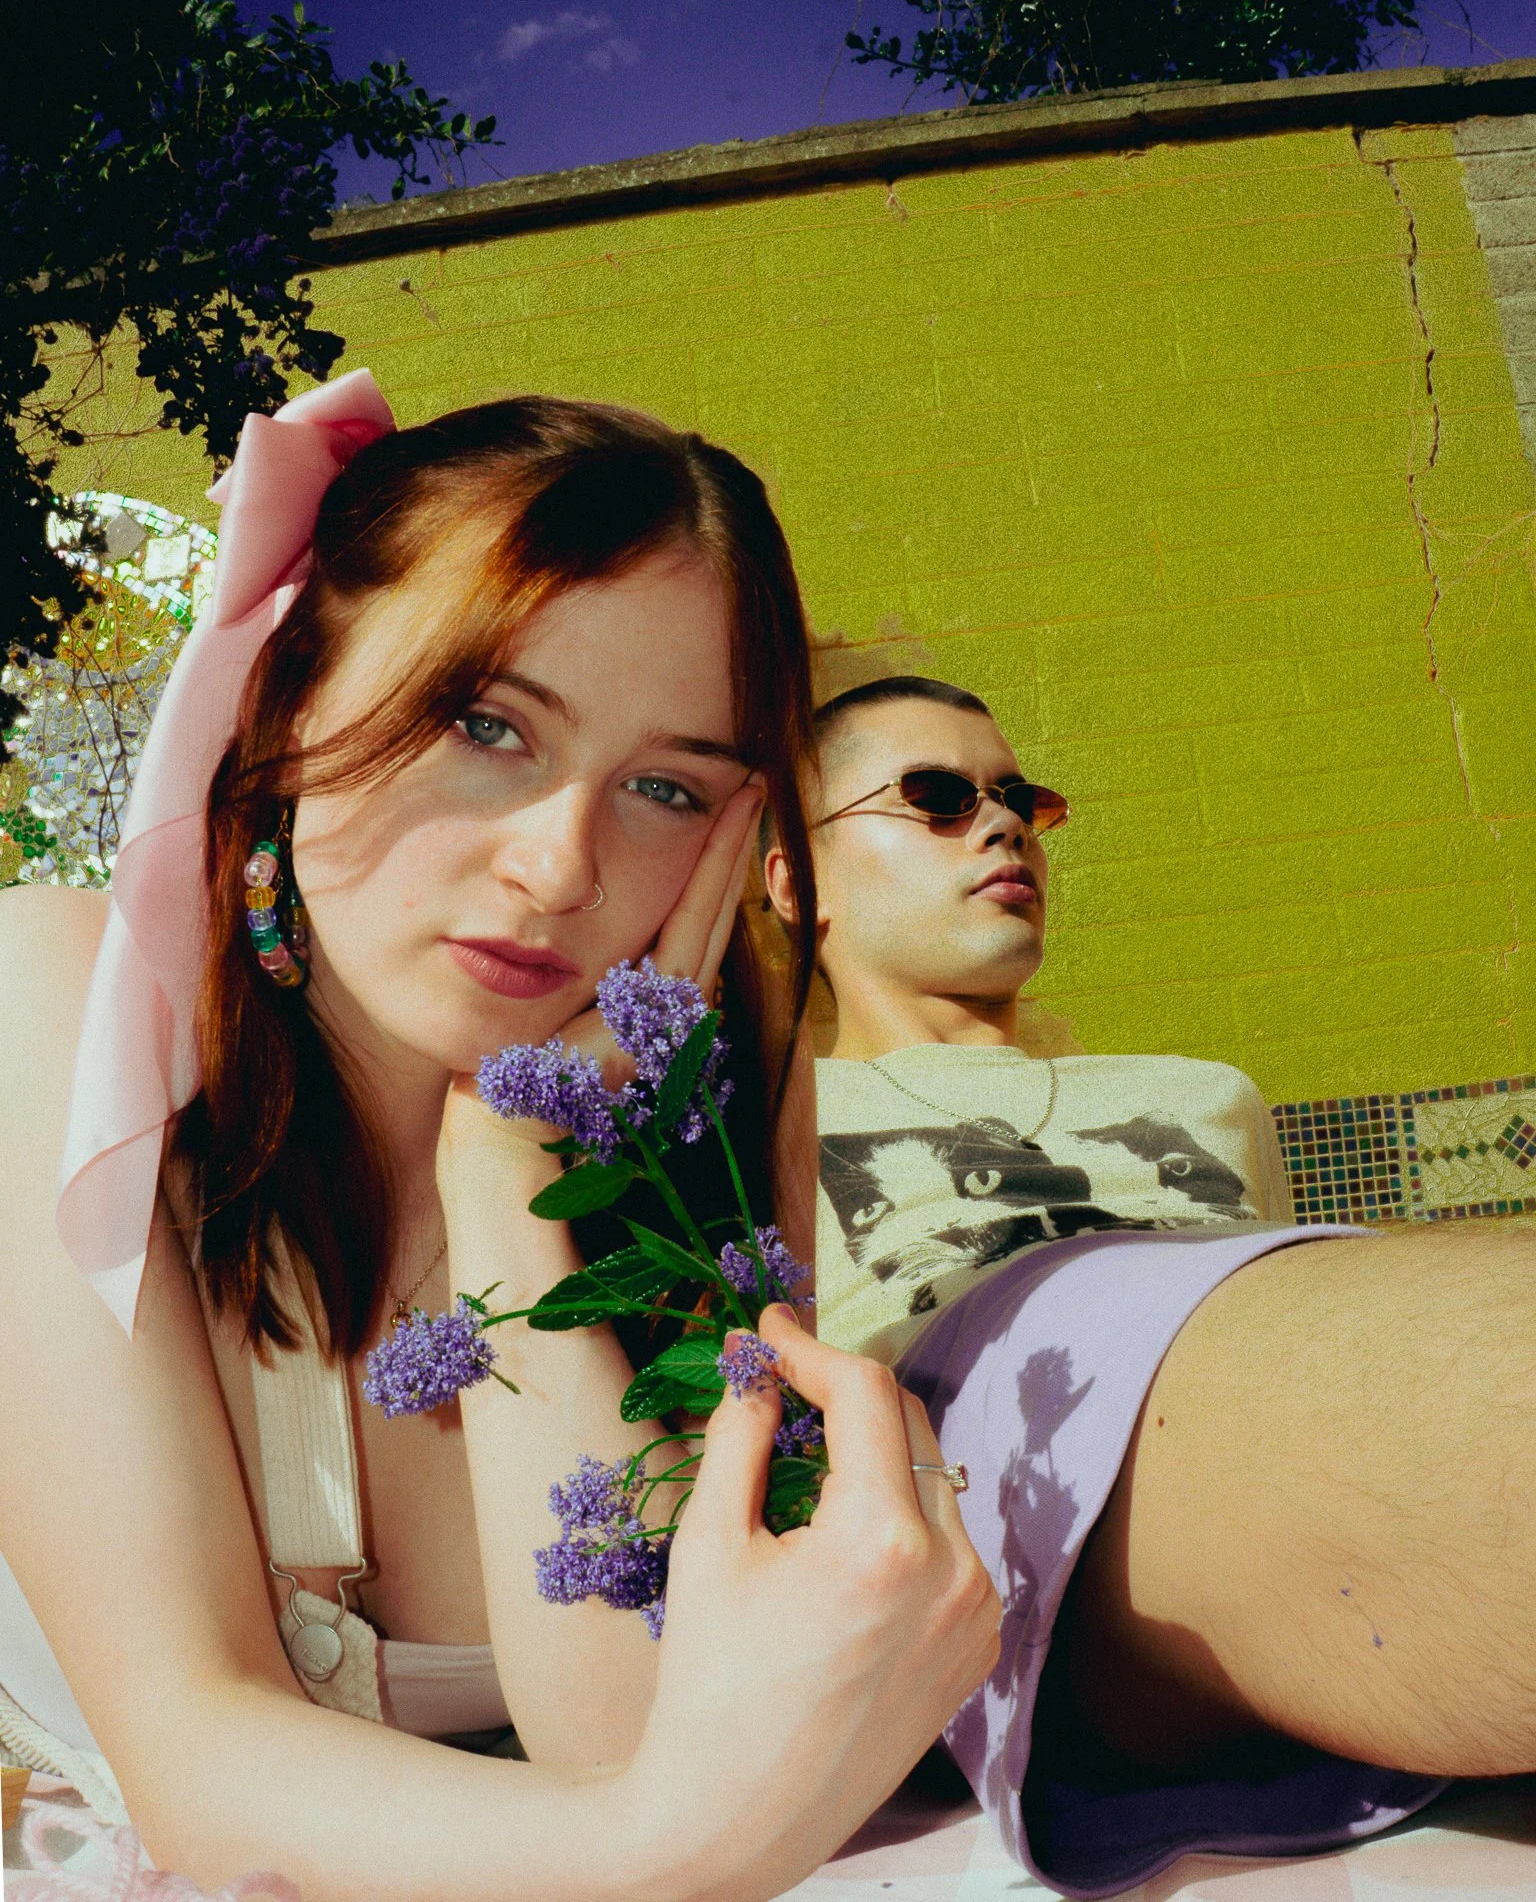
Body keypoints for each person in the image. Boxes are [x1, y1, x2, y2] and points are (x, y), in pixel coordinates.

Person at [0, 377, 1000, 1902]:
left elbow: (628, 1728)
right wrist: (674, 1843)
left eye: (667, 787)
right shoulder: (63, 1012)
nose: (559, 864)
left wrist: (515, 1173)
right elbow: (198, 1765)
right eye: (486, 724)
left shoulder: (710, 1109)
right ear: (289, 697)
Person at [763, 674, 1536, 1898]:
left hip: (1237, 1397)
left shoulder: (1205, 1095)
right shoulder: (767, 1120)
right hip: (1004, 1438)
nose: (1003, 824)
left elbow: (1295, 1320)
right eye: (937, 798)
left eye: (1019, 797)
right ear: (791, 882)